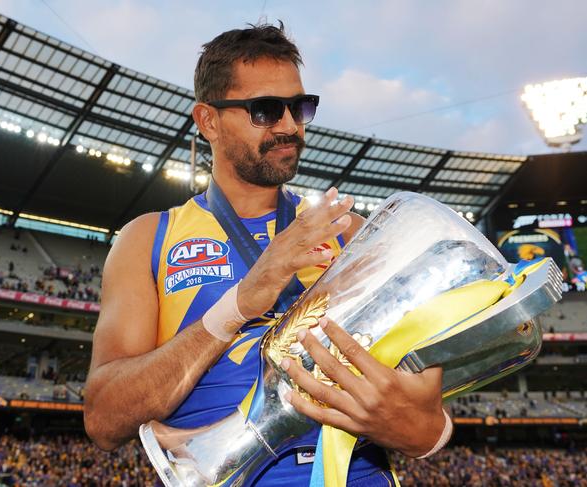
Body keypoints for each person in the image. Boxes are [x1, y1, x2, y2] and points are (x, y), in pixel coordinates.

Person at [84, 23, 448, 485]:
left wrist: (425, 433)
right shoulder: (148, 239)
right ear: (208, 121)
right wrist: (239, 303)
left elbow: (426, 419)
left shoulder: (350, 231)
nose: (290, 127)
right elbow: (103, 419)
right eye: (266, 110)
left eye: (300, 108)